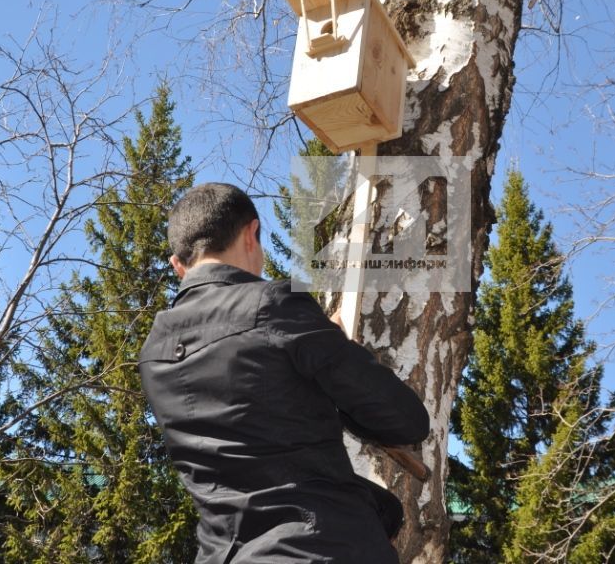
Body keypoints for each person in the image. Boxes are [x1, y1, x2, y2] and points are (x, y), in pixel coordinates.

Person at [139, 182, 431, 563]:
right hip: (320, 547)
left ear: (179, 266)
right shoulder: (275, 305)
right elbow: (406, 420)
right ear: (252, 233)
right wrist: (336, 350)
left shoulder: (152, 353)